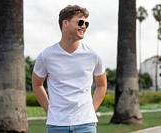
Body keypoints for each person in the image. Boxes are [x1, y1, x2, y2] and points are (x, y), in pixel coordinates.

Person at [32, 5, 107, 133]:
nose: (84, 26)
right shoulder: (46, 56)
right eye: (80, 22)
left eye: (86, 23)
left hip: (86, 124)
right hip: (57, 125)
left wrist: (91, 110)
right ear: (65, 23)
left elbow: (101, 85)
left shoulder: (93, 55)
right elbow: (37, 84)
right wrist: (49, 110)